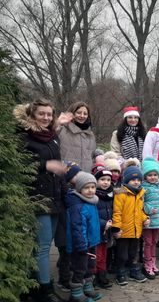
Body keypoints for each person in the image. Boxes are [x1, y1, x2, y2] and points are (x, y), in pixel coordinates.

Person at [14, 99, 66, 302]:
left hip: (55, 196)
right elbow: (21, 166)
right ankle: (45, 290)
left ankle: (33, 284)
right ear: (32, 115)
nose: (46, 117)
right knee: (43, 246)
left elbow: (57, 165)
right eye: (41, 114)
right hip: (37, 198)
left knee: (43, 245)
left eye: (49, 114)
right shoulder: (25, 137)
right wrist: (46, 165)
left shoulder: (53, 137)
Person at [65, 172, 101, 301]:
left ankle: (87, 288)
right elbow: (78, 227)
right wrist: (81, 245)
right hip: (80, 245)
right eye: (86, 188)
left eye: (93, 187)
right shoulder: (78, 205)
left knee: (90, 266)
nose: (90, 190)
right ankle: (76, 294)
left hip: (90, 242)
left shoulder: (91, 201)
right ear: (79, 189)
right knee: (80, 268)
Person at [111, 165, 149, 286]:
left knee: (134, 253)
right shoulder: (121, 194)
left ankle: (134, 271)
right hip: (123, 231)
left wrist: (145, 218)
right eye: (133, 180)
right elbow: (117, 212)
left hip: (136, 230)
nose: (136, 182)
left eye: (138, 180)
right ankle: (120, 272)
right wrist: (116, 228)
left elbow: (140, 211)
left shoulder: (140, 194)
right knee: (122, 254)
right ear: (126, 180)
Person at [141, 157, 159, 279]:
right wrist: (148, 209)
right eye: (149, 175)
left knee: (154, 242)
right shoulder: (144, 188)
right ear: (145, 176)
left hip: (158, 221)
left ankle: (153, 262)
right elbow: (140, 203)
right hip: (148, 220)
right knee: (147, 242)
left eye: (155, 175)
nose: (153, 177)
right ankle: (147, 264)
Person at [57, 101, 96, 172]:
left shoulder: (90, 134)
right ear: (72, 113)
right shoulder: (62, 129)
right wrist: (57, 123)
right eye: (78, 112)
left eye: (85, 114)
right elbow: (48, 135)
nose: (82, 116)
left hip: (86, 176)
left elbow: (92, 156)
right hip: (66, 174)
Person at [93, 168, 115, 289]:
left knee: (104, 254)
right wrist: (103, 223)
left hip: (107, 231)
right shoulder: (93, 195)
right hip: (97, 231)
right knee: (97, 255)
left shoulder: (111, 195)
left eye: (108, 180)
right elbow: (92, 215)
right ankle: (94, 277)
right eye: (102, 179)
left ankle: (102, 276)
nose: (106, 182)